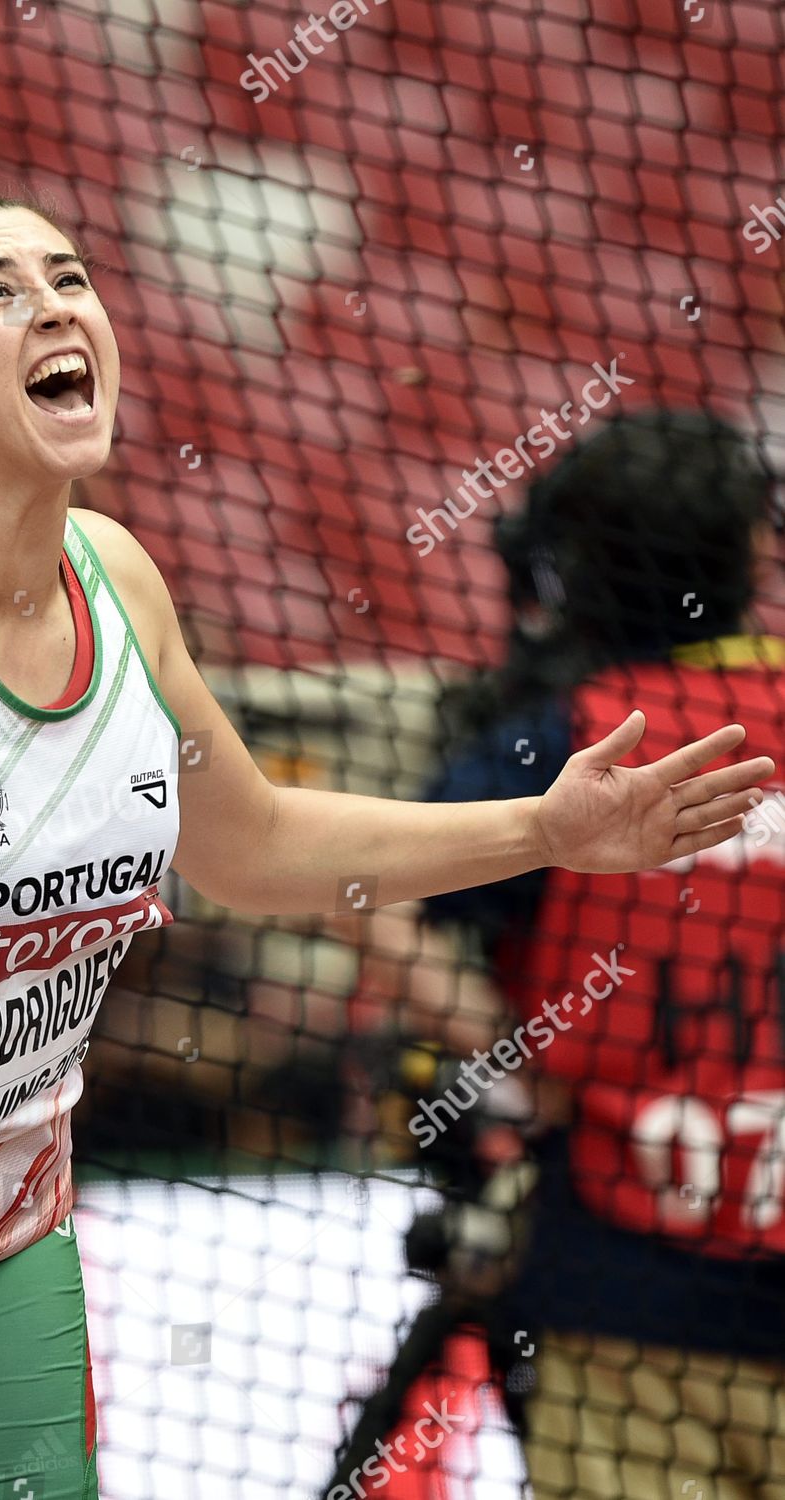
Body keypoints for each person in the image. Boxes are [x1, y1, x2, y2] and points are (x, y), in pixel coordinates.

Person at [0, 192, 773, 1500]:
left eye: (70, 276)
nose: (56, 305)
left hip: (2, 1243)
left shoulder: (119, 579)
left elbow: (255, 847)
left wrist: (545, 828)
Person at [360, 409, 785, 1499]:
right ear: (744, 557)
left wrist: (519, 1063)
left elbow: (390, 900)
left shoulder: (571, 735)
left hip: (621, 1299)